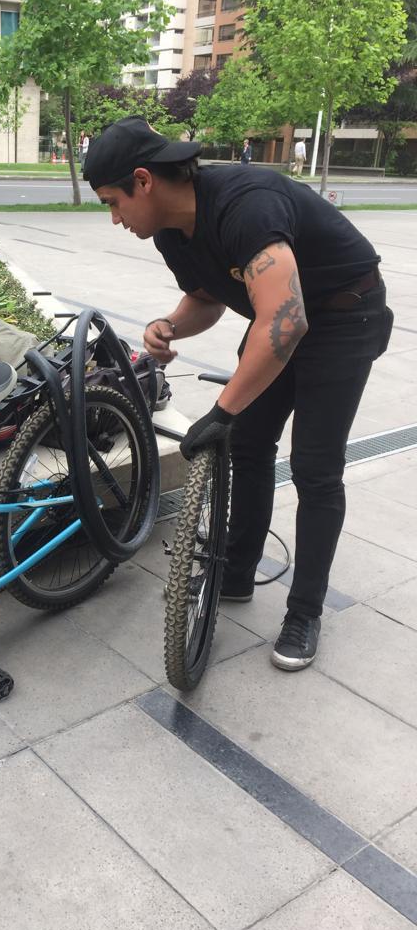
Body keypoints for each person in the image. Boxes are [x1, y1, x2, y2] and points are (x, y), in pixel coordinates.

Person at [84, 116, 393, 672]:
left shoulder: (245, 203)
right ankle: (237, 571)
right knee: (248, 446)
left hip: (346, 314)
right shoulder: (171, 231)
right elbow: (209, 297)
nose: (114, 218)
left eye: (113, 202)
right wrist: (170, 325)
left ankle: (305, 612)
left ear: (143, 181)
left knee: (315, 468)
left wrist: (222, 411)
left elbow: (286, 320)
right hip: (284, 315)